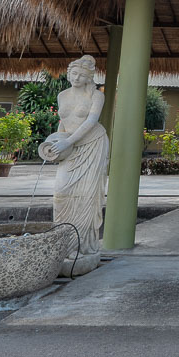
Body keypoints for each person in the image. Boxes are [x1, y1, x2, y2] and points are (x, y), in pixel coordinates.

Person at [37, 55, 109, 276]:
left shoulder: (96, 95)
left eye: (81, 75)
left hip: (92, 145)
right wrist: (56, 141)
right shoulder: (62, 95)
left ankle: (85, 246)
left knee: (87, 195)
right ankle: (64, 242)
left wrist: (68, 141)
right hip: (69, 146)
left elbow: (91, 121)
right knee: (61, 192)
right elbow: (63, 122)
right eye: (73, 74)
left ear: (89, 77)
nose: (76, 78)